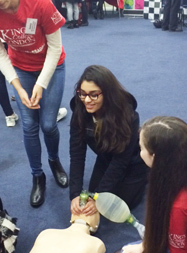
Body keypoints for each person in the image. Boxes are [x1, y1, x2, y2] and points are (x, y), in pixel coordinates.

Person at [106, 116, 187, 253]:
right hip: (186, 243)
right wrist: (146, 245)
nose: (139, 152)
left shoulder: (181, 205)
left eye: (141, 148)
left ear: (155, 157)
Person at [0, 0, 68, 208]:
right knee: (29, 126)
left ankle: (54, 161)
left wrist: (41, 83)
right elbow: (1, 53)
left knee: (48, 125)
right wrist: (18, 87)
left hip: (52, 66)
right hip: (20, 68)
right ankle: (37, 176)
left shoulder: (40, 4)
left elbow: (55, 48)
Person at [69, 65, 148, 217]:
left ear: (107, 94)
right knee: (93, 195)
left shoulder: (128, 115)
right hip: (105, 157)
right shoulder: (79, 110)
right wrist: (75, 194)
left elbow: (121, 161)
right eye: (83, 93)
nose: (87, 100)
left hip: (133, 162)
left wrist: (100, 198)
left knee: (121, 206)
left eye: (94, 95)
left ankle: (148, 175)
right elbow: (77, 154)